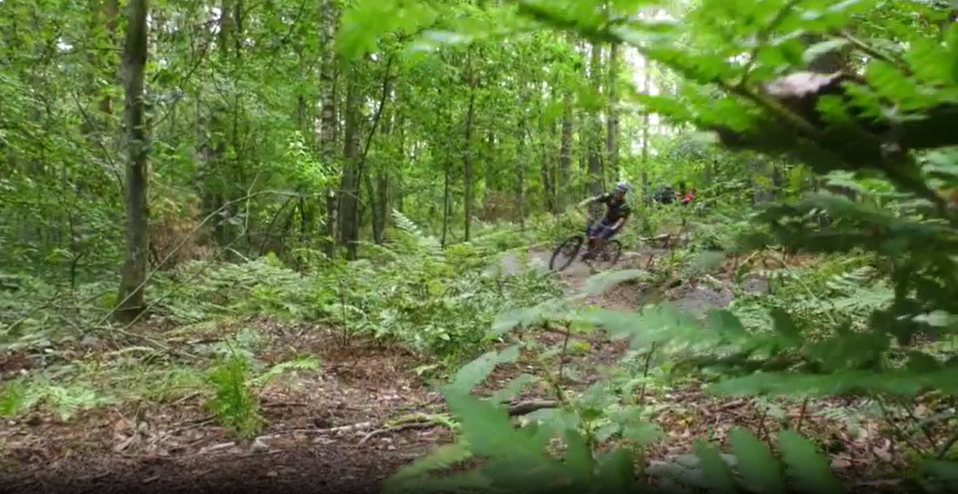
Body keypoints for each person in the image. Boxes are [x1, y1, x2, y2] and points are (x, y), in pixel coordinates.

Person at [576, 181, 632, 260]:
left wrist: (614, 227)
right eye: (617, 191)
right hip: (606, 219)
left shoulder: (624, 206)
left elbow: (622, 219)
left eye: (621, 192)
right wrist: (584, 203)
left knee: (600, 237)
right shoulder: (609, 196)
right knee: (591, 231)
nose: (618, 193)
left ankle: (603, 254)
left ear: (623, 194)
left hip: (614, 223)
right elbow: (595, 199)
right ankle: (589, 251)